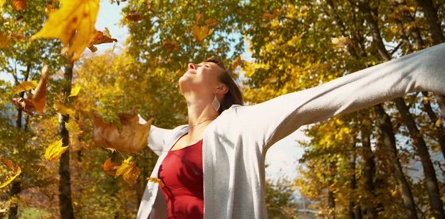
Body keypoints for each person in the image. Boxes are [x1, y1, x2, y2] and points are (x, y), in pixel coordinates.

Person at [136, 43, 445, 219]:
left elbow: (319, 99)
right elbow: (141, 132)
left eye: (203, 65)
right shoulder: (172, 138)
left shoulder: (242, 124)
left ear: (220, 88)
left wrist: (420, 68)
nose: (191, 63)